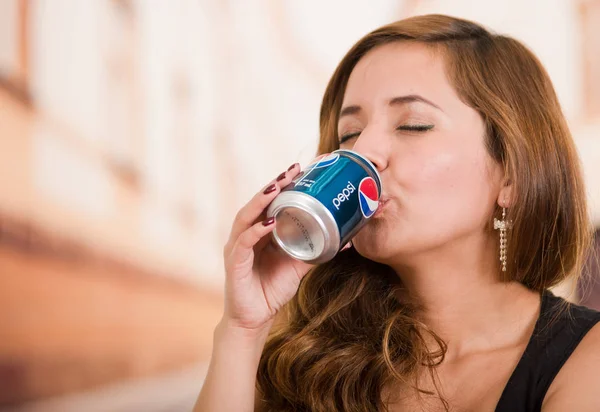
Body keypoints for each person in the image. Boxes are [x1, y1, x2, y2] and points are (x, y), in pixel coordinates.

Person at [195, 14, 600, 411]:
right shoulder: (307, 357)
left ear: (511, 174)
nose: (362, 151)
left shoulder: (585, 357)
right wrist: (241, 331)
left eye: (413, 125)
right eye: (349, 133)